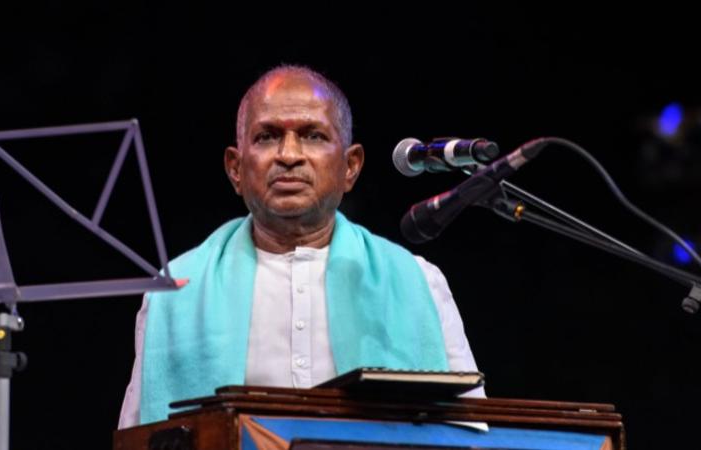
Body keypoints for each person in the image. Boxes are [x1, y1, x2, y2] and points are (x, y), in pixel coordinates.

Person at [118, 65, 482, 428]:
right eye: (266, 136)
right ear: (235, 169)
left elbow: (473, 430)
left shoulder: (418, 281)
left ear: (350, 167)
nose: (289, 154)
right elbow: (137, 436)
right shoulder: (176, 290)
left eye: (312, 135)